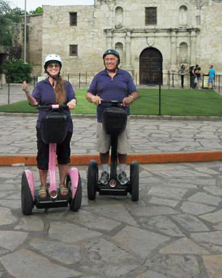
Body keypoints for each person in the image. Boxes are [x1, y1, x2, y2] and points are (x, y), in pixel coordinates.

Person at [22, 54, 77, 199]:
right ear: (46, 69)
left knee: (64, 154)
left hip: (63, 124)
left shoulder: (66, 85)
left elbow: (72, 98)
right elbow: (34, 102)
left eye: (56, 66)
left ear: (59, 68)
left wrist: (72, 103)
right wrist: (27, 92)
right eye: (51, 66)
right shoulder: (41, 86)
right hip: (44, 125)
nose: (54, 68)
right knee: (43, 155)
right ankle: (42, 185)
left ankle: (63, 184)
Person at [86, 49, 138, 186]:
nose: (109, 61)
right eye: (107, 59)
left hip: (122, 116)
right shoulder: (99, 76)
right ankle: (104, 172)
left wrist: (129, 98)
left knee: (122, 146)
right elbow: (89, 93)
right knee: (103, 147)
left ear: (117, 61)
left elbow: (134, 93)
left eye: (112, 59)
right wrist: (94, 98)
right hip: (103, 117)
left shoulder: (125, 76)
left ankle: (121, 172)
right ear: (104, 61)